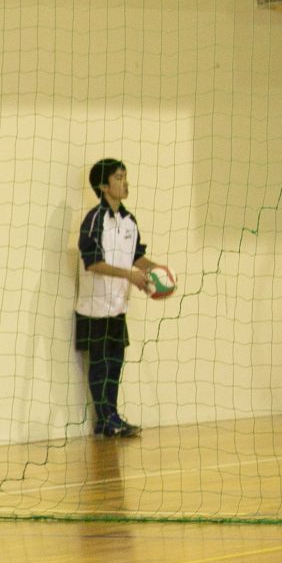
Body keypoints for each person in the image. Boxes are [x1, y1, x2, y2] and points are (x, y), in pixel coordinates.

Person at [75, 158, 168, 438]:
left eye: (125, 176)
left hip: (118, 307)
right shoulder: (93, 220)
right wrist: (129, 276)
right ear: (104, 186)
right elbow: (92, 263)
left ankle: (111, 417)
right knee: (100, 365)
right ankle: (105, 420)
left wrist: (156, 271)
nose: (125, 182)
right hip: (94, 309)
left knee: (115, 364)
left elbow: (135, 256)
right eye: (118, 178)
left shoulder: (129, 221)